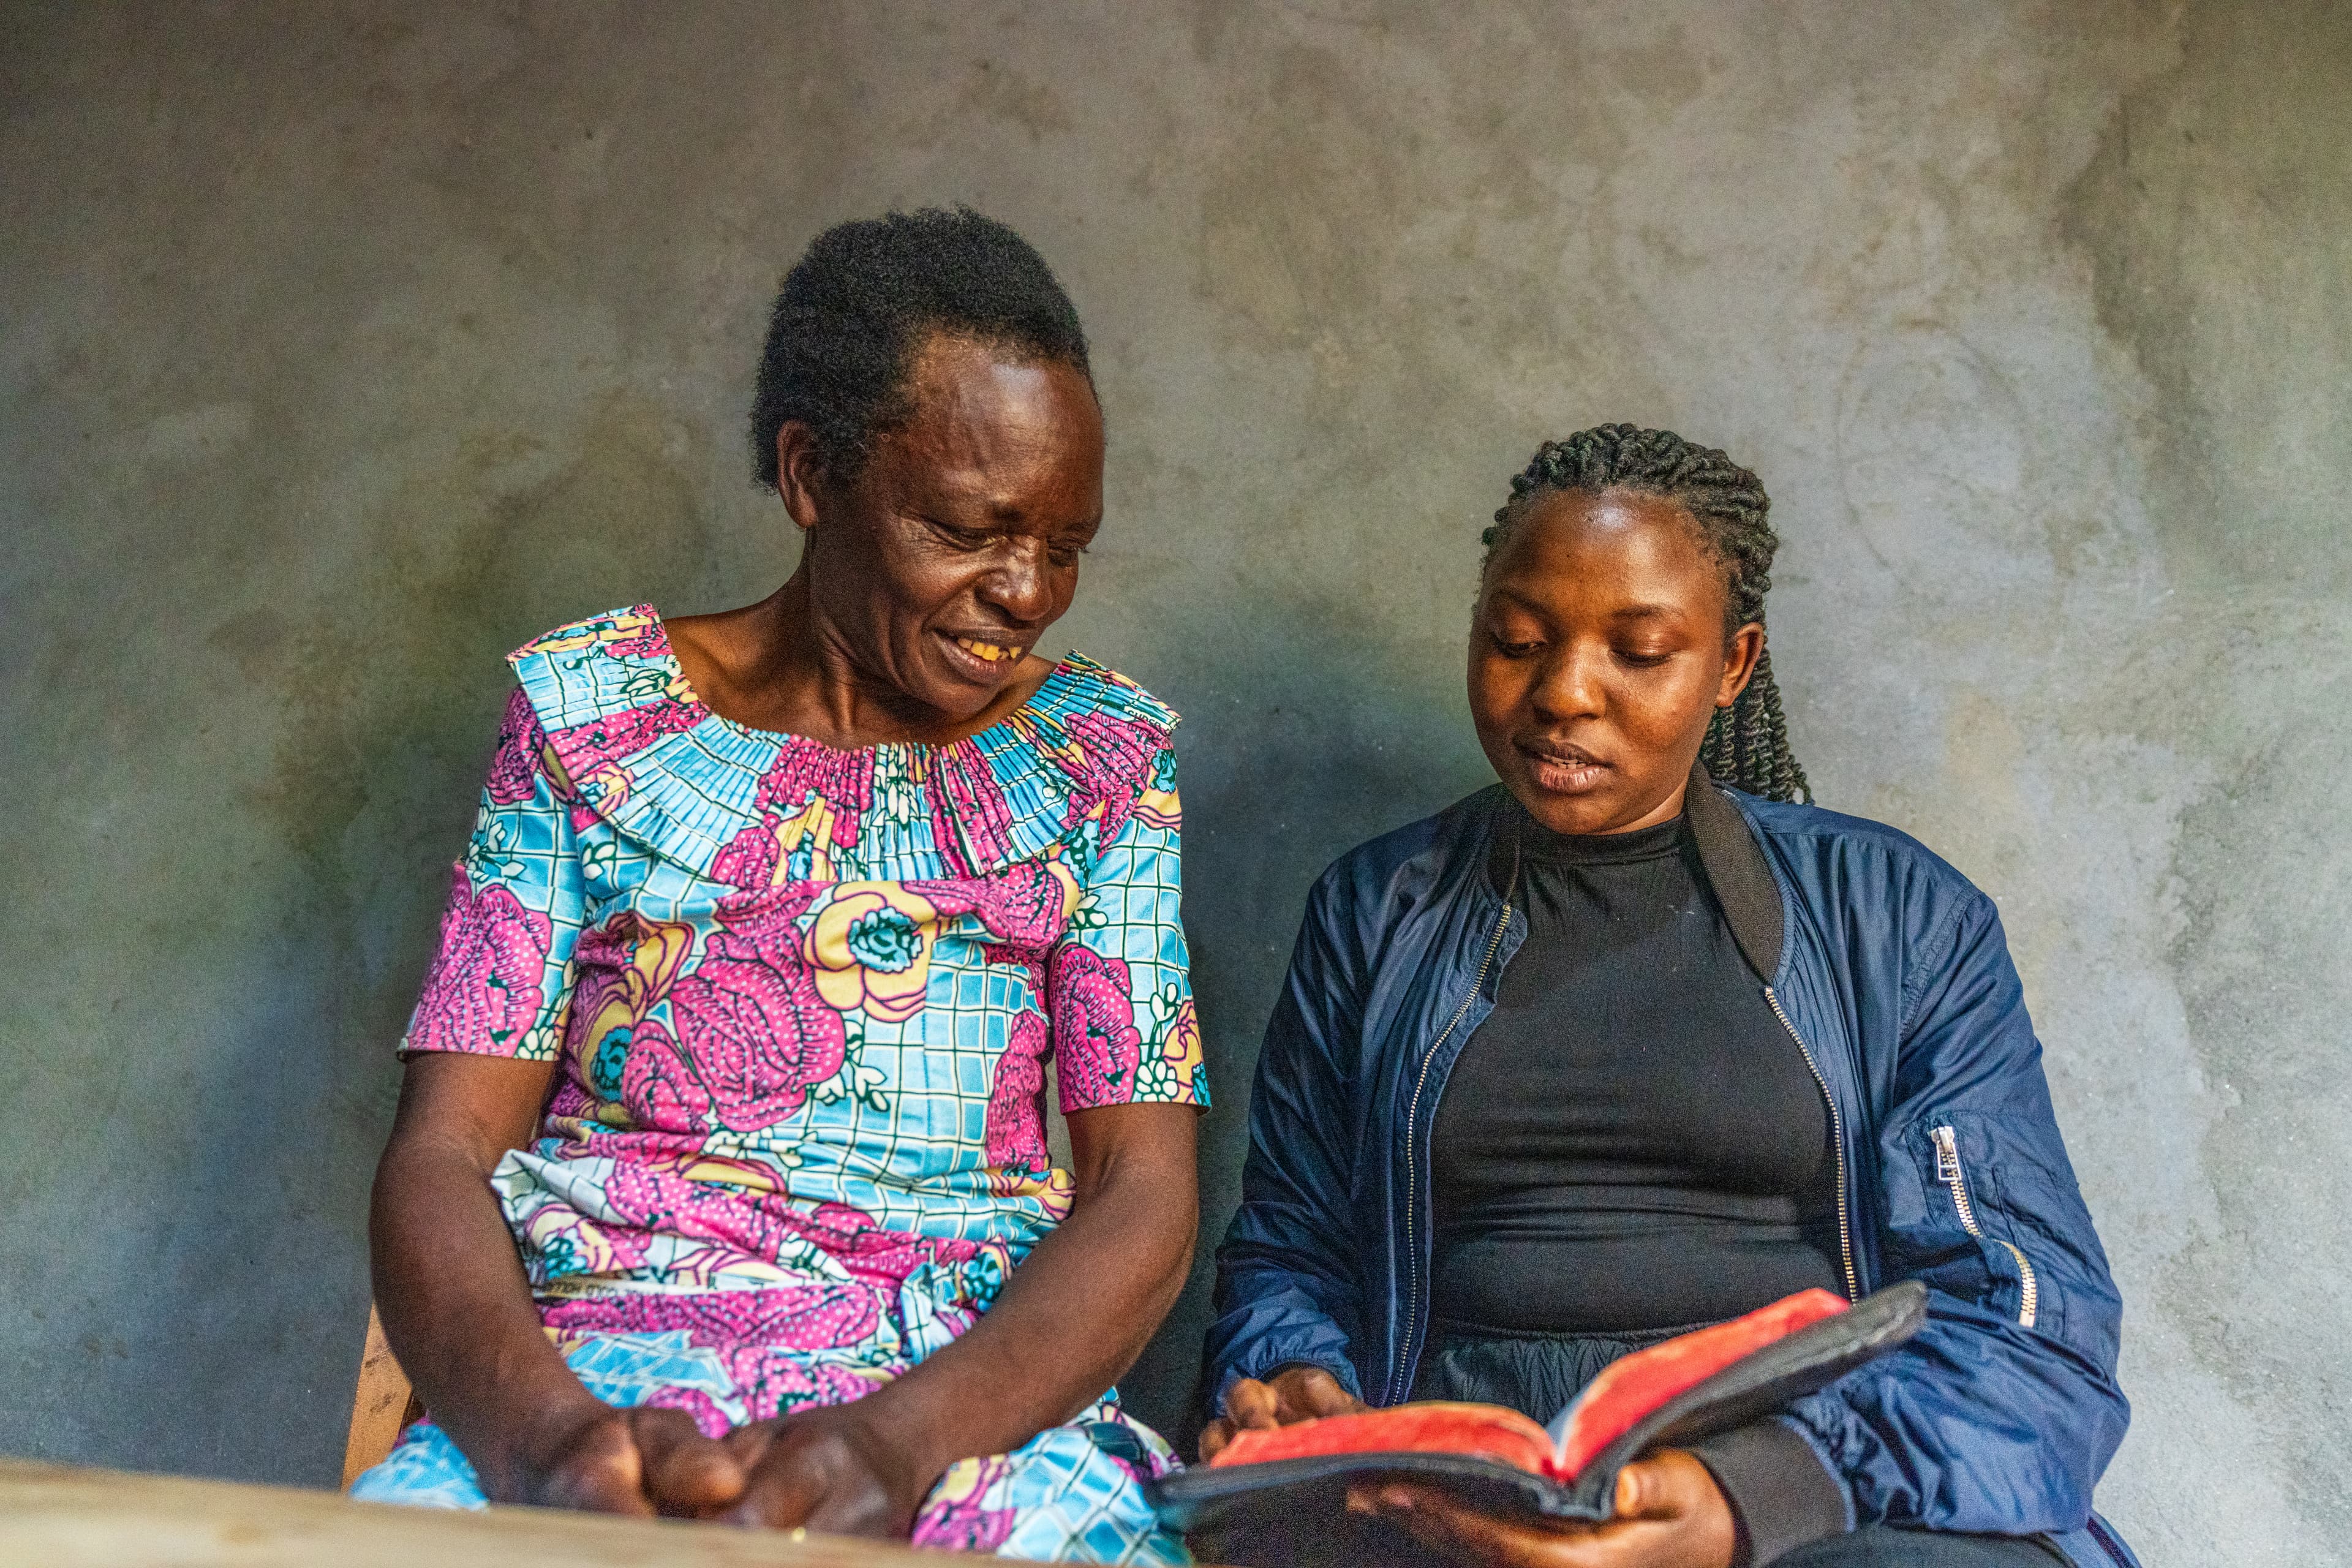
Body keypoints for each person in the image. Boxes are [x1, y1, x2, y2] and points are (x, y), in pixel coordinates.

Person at [350, 209, 1207, 1565]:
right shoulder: (585, 722)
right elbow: (445, 1152)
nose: (1029, 589)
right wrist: (552, 1444)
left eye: (1067, 541)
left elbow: (1142, 1194)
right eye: (968, 529)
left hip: (963, 1401)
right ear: (813, 474)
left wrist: (895, 1443)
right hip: (598, 1374)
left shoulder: (1101, 766)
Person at [1200, 426, 2137, 1568]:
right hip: (1455, 1494)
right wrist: (1301, 1382)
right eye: (1517, 641)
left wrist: (1748, 1496)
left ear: (1732, 666)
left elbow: (2032, 1323)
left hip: (1815, 1486)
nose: (1563, 695)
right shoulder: (1372, 911)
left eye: (1638, 652)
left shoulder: (1897, 916)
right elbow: (1291, 1249)